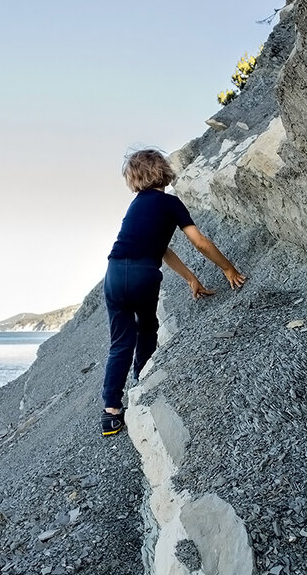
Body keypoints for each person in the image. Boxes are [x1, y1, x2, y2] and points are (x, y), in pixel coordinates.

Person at [101, 148, 246, 436]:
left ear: (134, 179)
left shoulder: (136, 206)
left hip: (114, 273)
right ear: (163, 171)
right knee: (147, 330)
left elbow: (162, 248)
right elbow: (199, 241)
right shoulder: (170, 203)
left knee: (120, 342)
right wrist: (228, 269)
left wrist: (190, 277)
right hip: (143, 275)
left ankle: (111, 413)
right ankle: (142, 382)